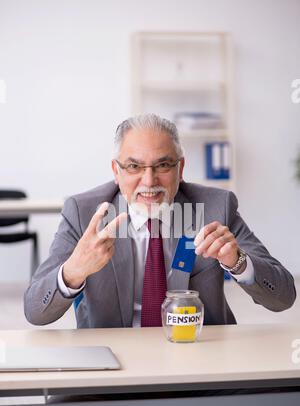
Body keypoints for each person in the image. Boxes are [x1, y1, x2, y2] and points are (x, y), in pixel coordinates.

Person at [24, 114, 296, 327]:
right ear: (116, 172)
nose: (149, 180)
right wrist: (73, 271)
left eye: (163, 165)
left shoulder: (215, 207)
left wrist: (237, 262)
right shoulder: (84, 213)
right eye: (134, 166)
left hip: (201, 359)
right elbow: (35, 311)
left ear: (180, 169)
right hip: (113, 362)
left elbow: (283, 297)